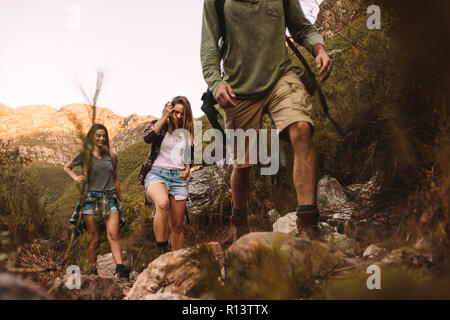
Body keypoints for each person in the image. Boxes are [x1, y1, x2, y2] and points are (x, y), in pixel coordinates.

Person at [200, 0, 333, 240]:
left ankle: (308, 224)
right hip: (238, 90)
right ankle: (239, 222)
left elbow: (301, 28)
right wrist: (216, 84)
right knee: (243, 164)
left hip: (281, 77)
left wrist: (320, 49)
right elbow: (209, 47)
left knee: (301, 129)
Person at [64, 123, 129, 278]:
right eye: (98, 135)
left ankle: (120, 269)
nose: (101, 138)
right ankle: (90, 269)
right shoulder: (85, 154)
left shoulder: (111, 156)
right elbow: (67, 167)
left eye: (104, 135)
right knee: (95, 238)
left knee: (113, 235)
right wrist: (77, 177)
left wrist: (120, 199)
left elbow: (115, 179)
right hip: (91, 199)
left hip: (110, 198)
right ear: (92, 137)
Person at [138, 96, 194, 254]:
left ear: (186, 115)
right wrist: (163, 117)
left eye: (181, 113)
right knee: (162, 204)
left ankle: (176, 260)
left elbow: (188, 153)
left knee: (177, 226)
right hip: (157, 174)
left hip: (178, 177)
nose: (178, 116)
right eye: (175, 112)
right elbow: (147, 138)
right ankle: (162, 251)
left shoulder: (187, 131)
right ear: (169, 110)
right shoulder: (159, 124)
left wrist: (188, 168)